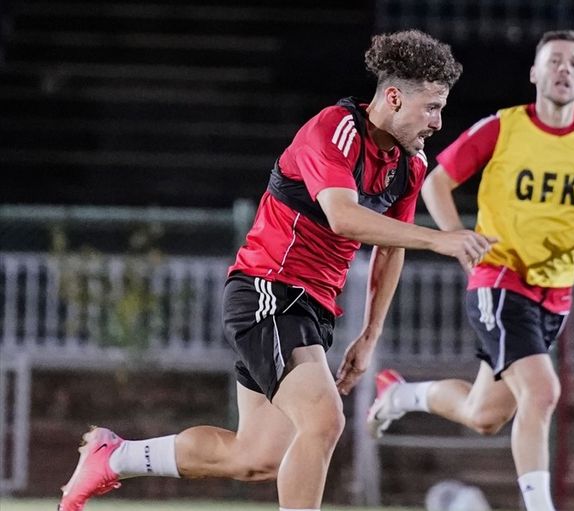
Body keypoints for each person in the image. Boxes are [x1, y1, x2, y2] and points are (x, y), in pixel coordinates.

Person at [58, 29, 496, 511]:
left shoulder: (408, 165)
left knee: (257, 457)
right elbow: (343, 216)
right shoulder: (334, 129)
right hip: (267, 289)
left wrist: (370, 335)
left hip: (308, 308)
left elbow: (390, 248)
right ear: (393, 97)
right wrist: (440, 238)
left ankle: (115, 457)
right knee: (324, 421)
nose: (438, 122)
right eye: (431, 107)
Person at [367, 30, 574, 511]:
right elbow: (437, 184)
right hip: (499, 280)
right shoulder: (503, 127)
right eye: (554, 61)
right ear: (535, 72)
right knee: (542, 391)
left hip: (554, 294)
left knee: (485, 415)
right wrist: (458, 239)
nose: (563, 69)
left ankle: (401, 396)